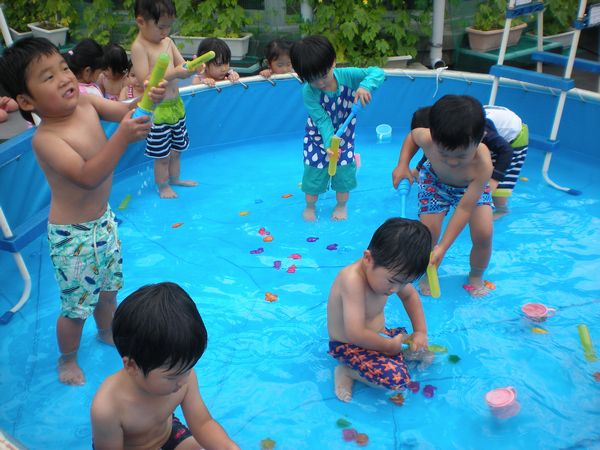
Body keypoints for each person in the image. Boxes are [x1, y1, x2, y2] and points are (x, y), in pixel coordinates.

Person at [0, 37, 165, 385]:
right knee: (76, 309)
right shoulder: (46, 139)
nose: (64, 78)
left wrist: (147, 98)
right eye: (48, 77)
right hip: (72, 238)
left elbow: (127, 112)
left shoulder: (88, 103)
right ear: (26, 101)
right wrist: (121, 138)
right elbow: (88, 176)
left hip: (103, 222)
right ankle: (68, 359)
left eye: (63, 68)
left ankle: (107, 333)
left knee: (109, 291)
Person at [91, 282, 240, 450]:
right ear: (132, 366)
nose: (183, 381)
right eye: (172, 376)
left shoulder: (183, 376)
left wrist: (229, 448)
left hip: (166, 433)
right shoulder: (108, 408)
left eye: (188, 369)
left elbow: (203, 423)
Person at [393, 95, 494, 297]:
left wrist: (444, 247)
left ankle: (476, 275)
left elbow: (464, 208)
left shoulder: (483, 165)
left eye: (461, 156)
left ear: (480, 138)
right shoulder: (428, 138)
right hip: (435, 182)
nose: (452, 162)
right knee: (429, 235)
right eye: (444, 154)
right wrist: (403, 165)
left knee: (484, 234)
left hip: (470, 189)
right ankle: (429, 272)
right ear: (433, 135)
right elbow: (412, 137)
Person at [327, 218, 432, 402]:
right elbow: (355, 333)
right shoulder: (352, 280)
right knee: (396, 381)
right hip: (349, 345)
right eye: (392, 281)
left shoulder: (392, 274)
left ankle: (395, 354)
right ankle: (347, 371)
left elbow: (410, 296)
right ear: (368, 258)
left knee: (426, 353)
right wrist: (388, 346)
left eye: (404, 283)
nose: (396, 289)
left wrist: (420, 332)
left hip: (380, 335)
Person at [290, 35, 384, 221]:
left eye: (323, 75)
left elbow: (378, 72)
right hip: (317, 140)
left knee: (343, 176)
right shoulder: (309, 92)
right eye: (312, 79)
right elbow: (322, 120)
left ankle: (341, 205)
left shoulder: (348, 76)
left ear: (333, 62)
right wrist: (329, 144)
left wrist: (365, 86)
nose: (320, 83)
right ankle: (310, 206)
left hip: (344, 140)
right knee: (313, 176)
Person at [392, 104, 528, 219]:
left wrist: (494, 180)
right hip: (488, 130)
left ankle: (501, 209)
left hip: (512, 141)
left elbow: (506, 151)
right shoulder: (451, 128)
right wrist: (417, 169)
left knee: (497, 184)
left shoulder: (477, 130)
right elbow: (434, 151)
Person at [131, 0, 199, 198]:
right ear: (141, 22)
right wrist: (175, 73)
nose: (166, 31)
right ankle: (163, 186)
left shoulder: (168, 42)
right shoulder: (139, 47)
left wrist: (192, 68)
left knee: (177, 150)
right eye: (161, 27)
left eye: (169, 26)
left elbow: (182, 65)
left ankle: (175, 179)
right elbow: (146, 80)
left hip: (176, 106)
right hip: (158, 110)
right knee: (162, 155)